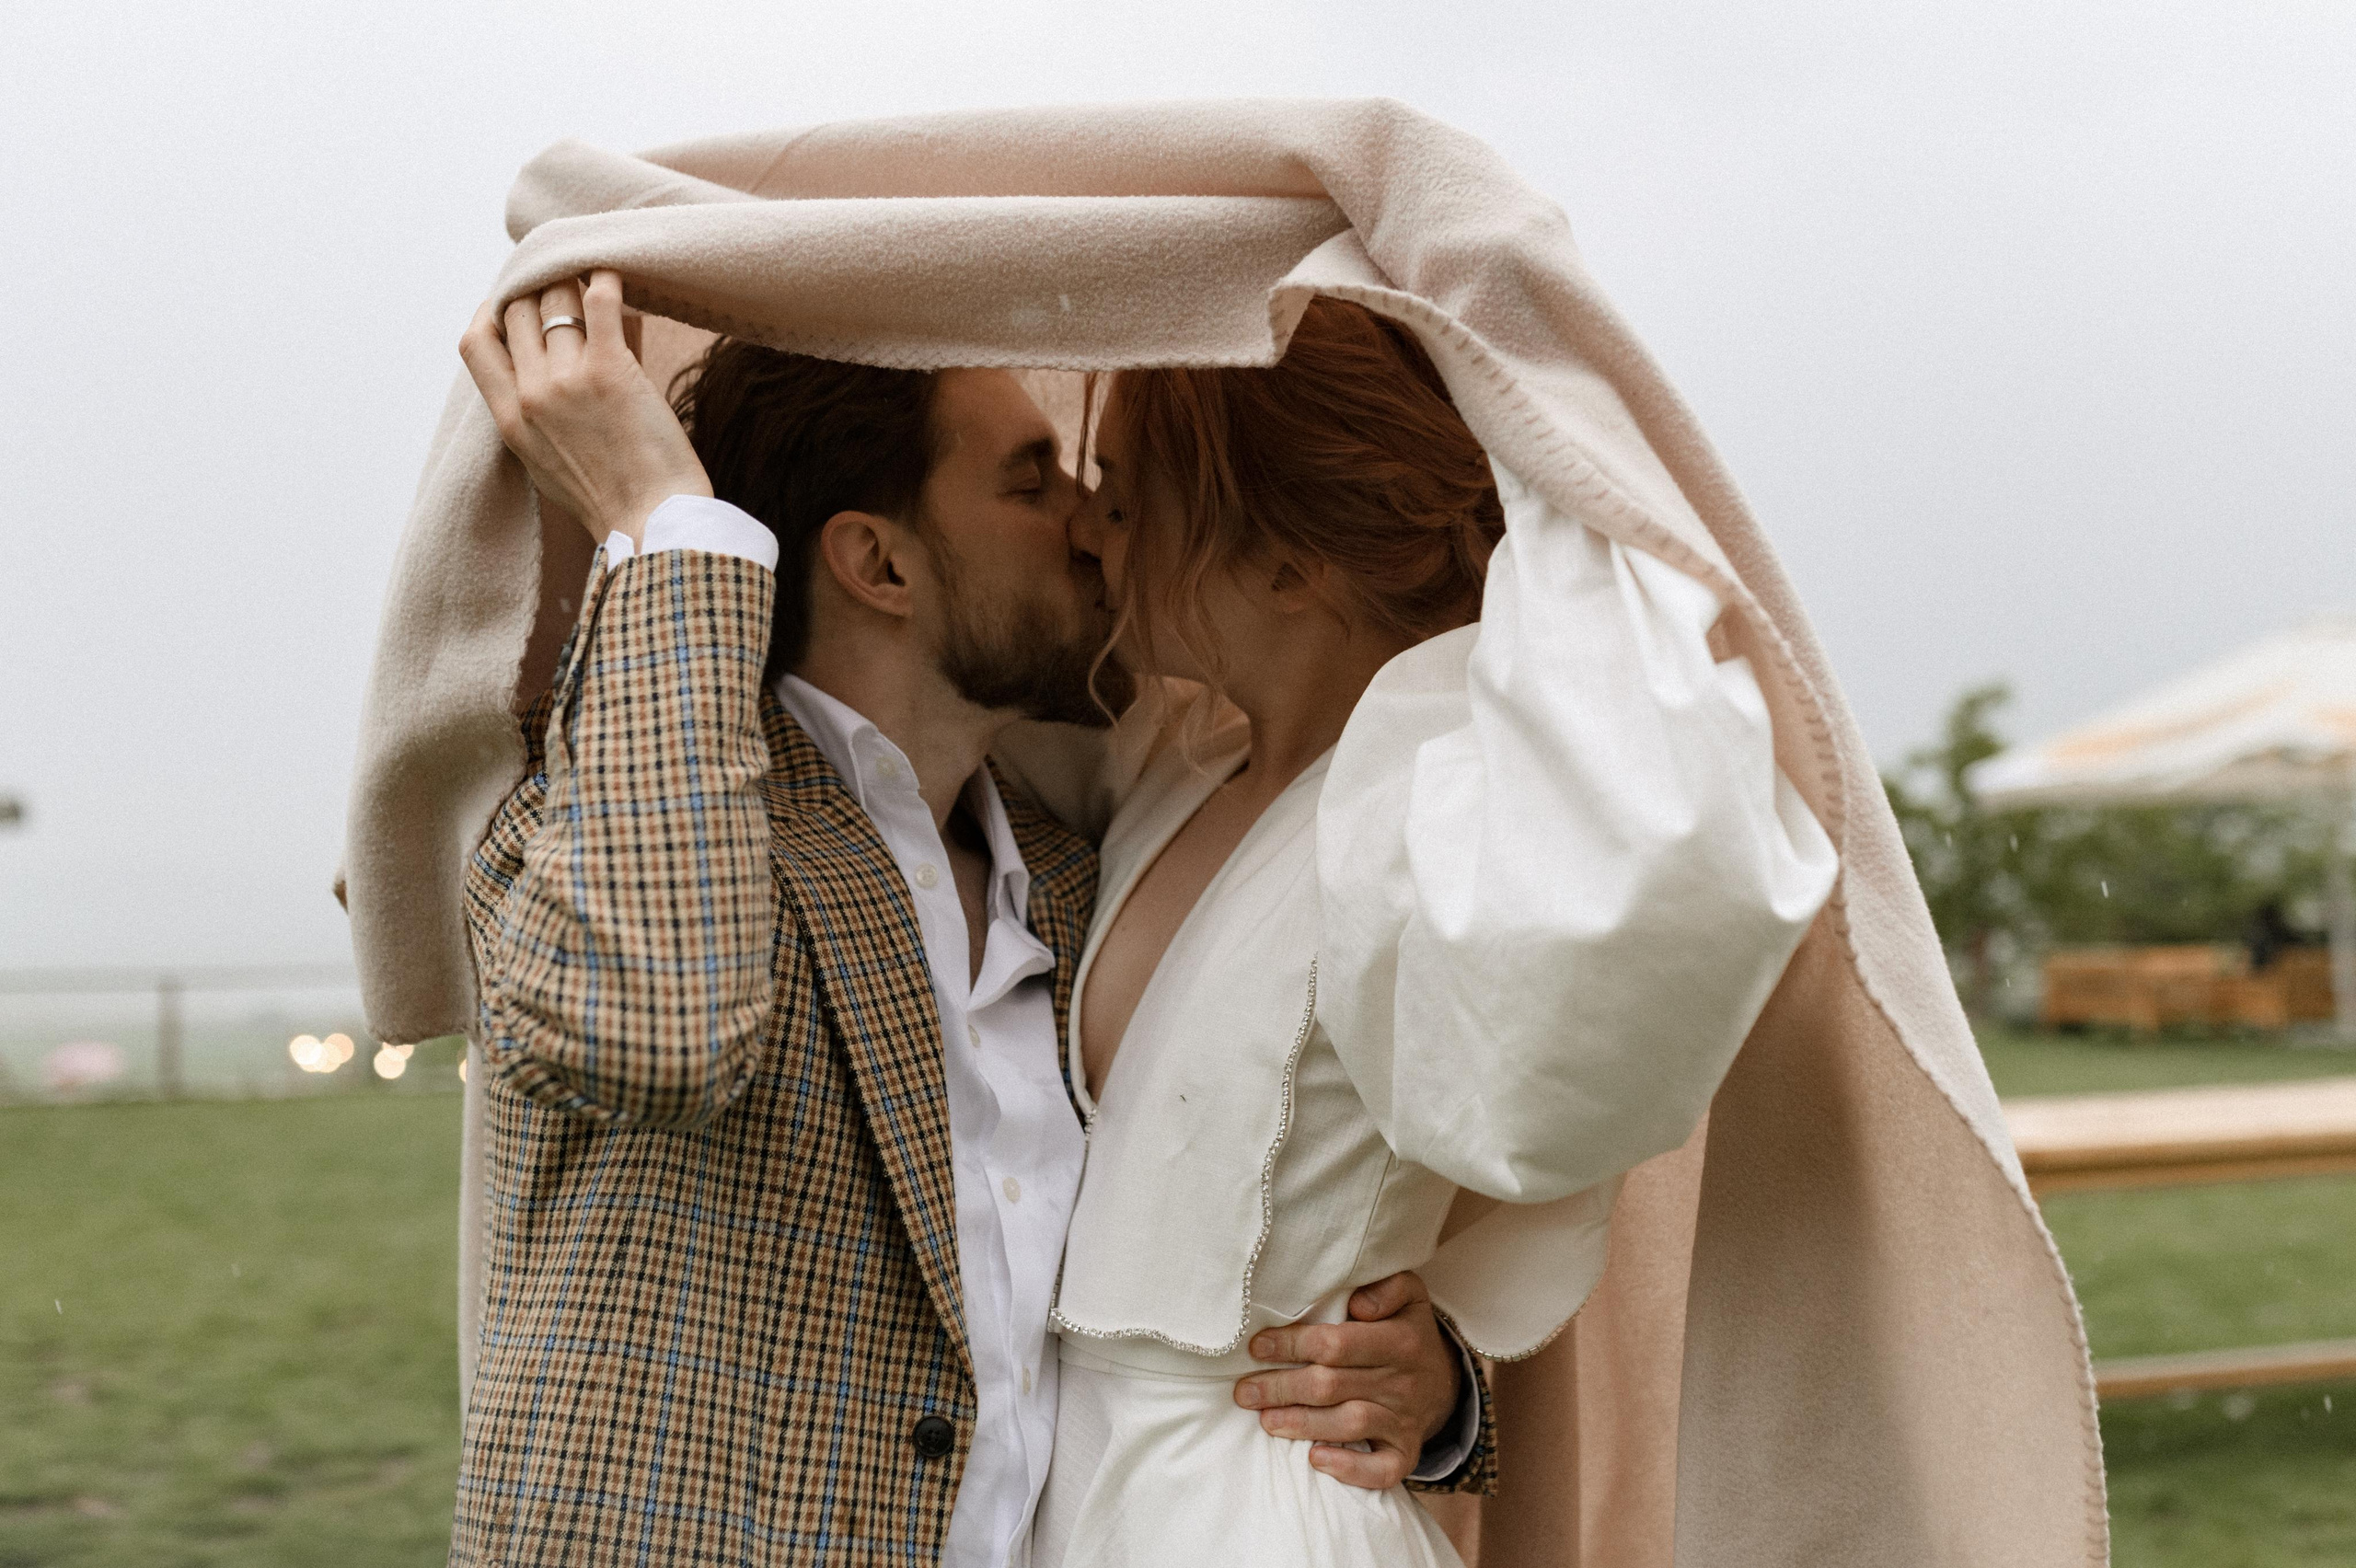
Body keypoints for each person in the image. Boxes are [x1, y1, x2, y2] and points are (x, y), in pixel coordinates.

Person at [447, 271, 1484, 1568]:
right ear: (880, 563)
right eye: (1031, 482)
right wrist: (665, 527)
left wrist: (1422, 1386)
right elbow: (659, 1029)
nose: (1095, 523)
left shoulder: (1072, 881)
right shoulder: (591, 831)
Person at [980, 298, 1842, 1565]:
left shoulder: (1442, 803)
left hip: (1252, 1505)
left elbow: (1582, 1016)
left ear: (1286, 561)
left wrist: (1440, 1371)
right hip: (1080, 1489)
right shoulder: (1169, 770)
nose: (1093, 531)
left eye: (1132, 494)